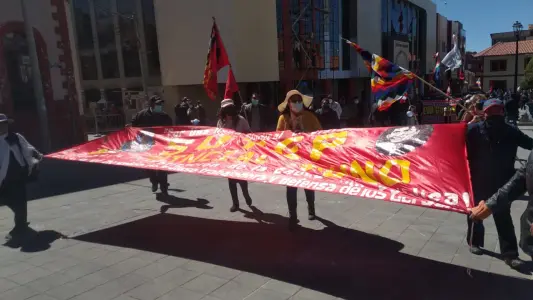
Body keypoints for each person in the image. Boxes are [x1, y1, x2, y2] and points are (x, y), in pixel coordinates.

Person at [466, 99, 533, 269]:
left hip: (502, 183)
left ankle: (509, 254)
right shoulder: (474, 130)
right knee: (478, 214)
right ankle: (477, 243)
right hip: (481, 179)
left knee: (498, 215)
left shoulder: (511, 132)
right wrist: (466, 125)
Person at [470, 153, 533, 262]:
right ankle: (474, 242)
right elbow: (523, 177)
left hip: (501, 176)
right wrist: (490, 206)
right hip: (482, 179)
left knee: (503, 217)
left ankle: (510, 254)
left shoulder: (511, 135)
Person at [276, 90, 322, 230]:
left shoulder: (310, 117)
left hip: (306, 157)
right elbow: (277, 137)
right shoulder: (283, 119)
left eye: (298, 100)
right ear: (288, 104)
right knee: (291, 188)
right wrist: (289, 135)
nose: (297, 103)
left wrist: (306, 135)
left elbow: (320, 133)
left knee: (308, 185)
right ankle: (292, 215)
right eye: (293, 101)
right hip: (290, 159)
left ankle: (311, 209)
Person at [0, 114, 43, 242]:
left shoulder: (16, 137)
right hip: (3, 177)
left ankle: (20, 225)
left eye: (4, 123)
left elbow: (27, 148)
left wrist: (36, 155)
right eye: (0, 124)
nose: (2, 126)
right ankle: (21, 220)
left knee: (20, 201)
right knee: (6, 200)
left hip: (17, 175)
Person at [131, 95, 173, 195]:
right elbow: (133, 125)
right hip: (146, 144)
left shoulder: (164, 116)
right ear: (152, 104)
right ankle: (154, 181)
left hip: (160, 145)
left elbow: (171, 128)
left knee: (162, 166)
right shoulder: (141, 115)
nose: (159, 106)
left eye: (160, 104)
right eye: (157, 104)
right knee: (148, 166)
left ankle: (164, 186)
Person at [217, 99, 253, 212]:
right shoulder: (221, 122)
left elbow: (249, 134)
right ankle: (235, 203)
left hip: (240, 154)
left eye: (230, 109)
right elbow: (218, 136)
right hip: (228, 156)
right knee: (231, 180)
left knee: (242, 179)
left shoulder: (241, 120)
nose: (228, 112)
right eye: (226, 109)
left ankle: (246, 195)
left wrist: (240, 138)